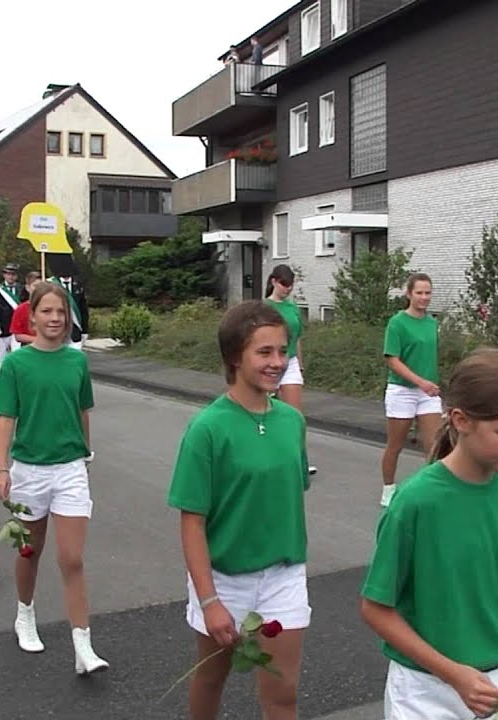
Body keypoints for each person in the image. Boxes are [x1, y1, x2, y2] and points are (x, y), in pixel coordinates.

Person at [360, 349, 498, 720]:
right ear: (461, 420)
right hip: (426, 692)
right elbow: (376, 609)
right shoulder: (415, 502)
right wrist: (455, 675)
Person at [168, 301, 311, 720]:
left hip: (283, 576)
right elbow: (192, 521)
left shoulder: (292, 421)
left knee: (283, 694)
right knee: (212, 679)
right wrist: (210, 599)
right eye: (264, 352)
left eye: (282, 351)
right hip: (224, 580)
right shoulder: (208, 428)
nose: (277, 362)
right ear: (235, 356)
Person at [0, 281, 106, 674]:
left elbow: (83, 411)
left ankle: (83, 646)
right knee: (29, 551)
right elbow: (5, 418)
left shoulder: (77, 361)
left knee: (72, 558)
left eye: (61, 312)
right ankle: (25, 614)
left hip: (70, 468)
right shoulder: (16, 364)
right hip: (29, 470)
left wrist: (86, 455)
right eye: (47, 311)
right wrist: (1, 467)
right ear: (33, 316)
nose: (55, 318)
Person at [380, 273, 441, 507]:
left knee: (434, 446)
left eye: (428, 293)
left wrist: (428, 384)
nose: (424, 297)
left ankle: (432, 490)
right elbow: (393, 360)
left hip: (428, 393)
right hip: (402, 390)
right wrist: (420, 382)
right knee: (395, 444)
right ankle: (388, 488)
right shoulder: (397, 323)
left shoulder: (432, 323)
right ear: (409, 294)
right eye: (419, 293)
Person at [264, 265, 316, 476]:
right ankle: (269, 456)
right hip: (269, 362)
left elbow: (298, 337)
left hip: (290, 360)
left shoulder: (292, 307)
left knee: (295, 416)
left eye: (291, 285)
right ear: (274, 282)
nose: (288, 289)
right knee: (267, 412)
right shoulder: (264, 307)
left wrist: (300, 365)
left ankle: (299, 463)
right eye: (284, 284)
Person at [0, 262, 27, 367]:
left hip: (18, 329)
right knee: (1, 358)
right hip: (3, 328)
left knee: (17, 356)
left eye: (13, 274)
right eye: (8, 274)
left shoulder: (22, 290)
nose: (11, 277)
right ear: (4, 275)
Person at [8, 272, 43, 348]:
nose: (38, 289)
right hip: (29, 349)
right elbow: (18, 336)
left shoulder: (50, 307)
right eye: (35, 286)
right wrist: (40, 340)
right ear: (27, 287)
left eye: (41, 286)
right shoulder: (21, 309)